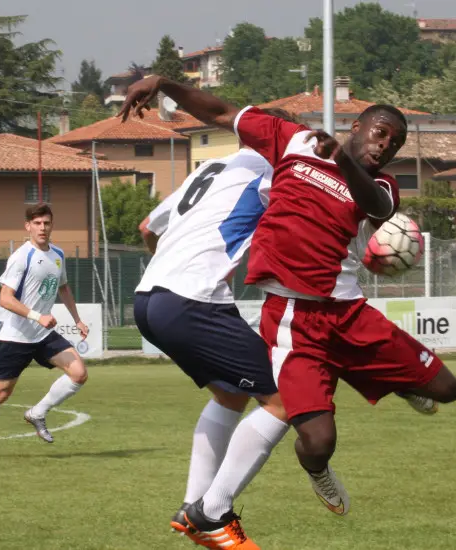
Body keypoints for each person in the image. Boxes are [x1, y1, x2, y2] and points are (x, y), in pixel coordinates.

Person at [119, 77, 456, 518]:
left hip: (349, 313)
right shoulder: (293, 142)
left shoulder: (382, 186)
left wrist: (342, 160)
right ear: (356, 126)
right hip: (293, 318)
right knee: (318, 443)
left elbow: (376, 208)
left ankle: (398, 382)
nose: (384, 147)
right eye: (380, 133)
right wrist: (165, 83)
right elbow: (221, 112)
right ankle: (308, 473)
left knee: (448, 390)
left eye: (394, 144)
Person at [133, 113, 299, 549]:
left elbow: (147, 228)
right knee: (285, 400)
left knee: (230, 395)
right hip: (192, 300)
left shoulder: (208, 168)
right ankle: (212, 513)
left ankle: (192, 507)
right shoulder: (271, 172)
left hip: (149, 299)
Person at [0, 203, 90, 459]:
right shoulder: (21, 257)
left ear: (52, 225)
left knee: (79, 373)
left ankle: (37, 413)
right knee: (2, 392)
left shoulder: (58, 254)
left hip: (43, 335)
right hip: (17, 336)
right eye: (37, 223)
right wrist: (37, 316)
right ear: (27, 226)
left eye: (47, 223)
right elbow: (5, 299)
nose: (42, 228)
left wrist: (78, 320)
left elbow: (64, 288)